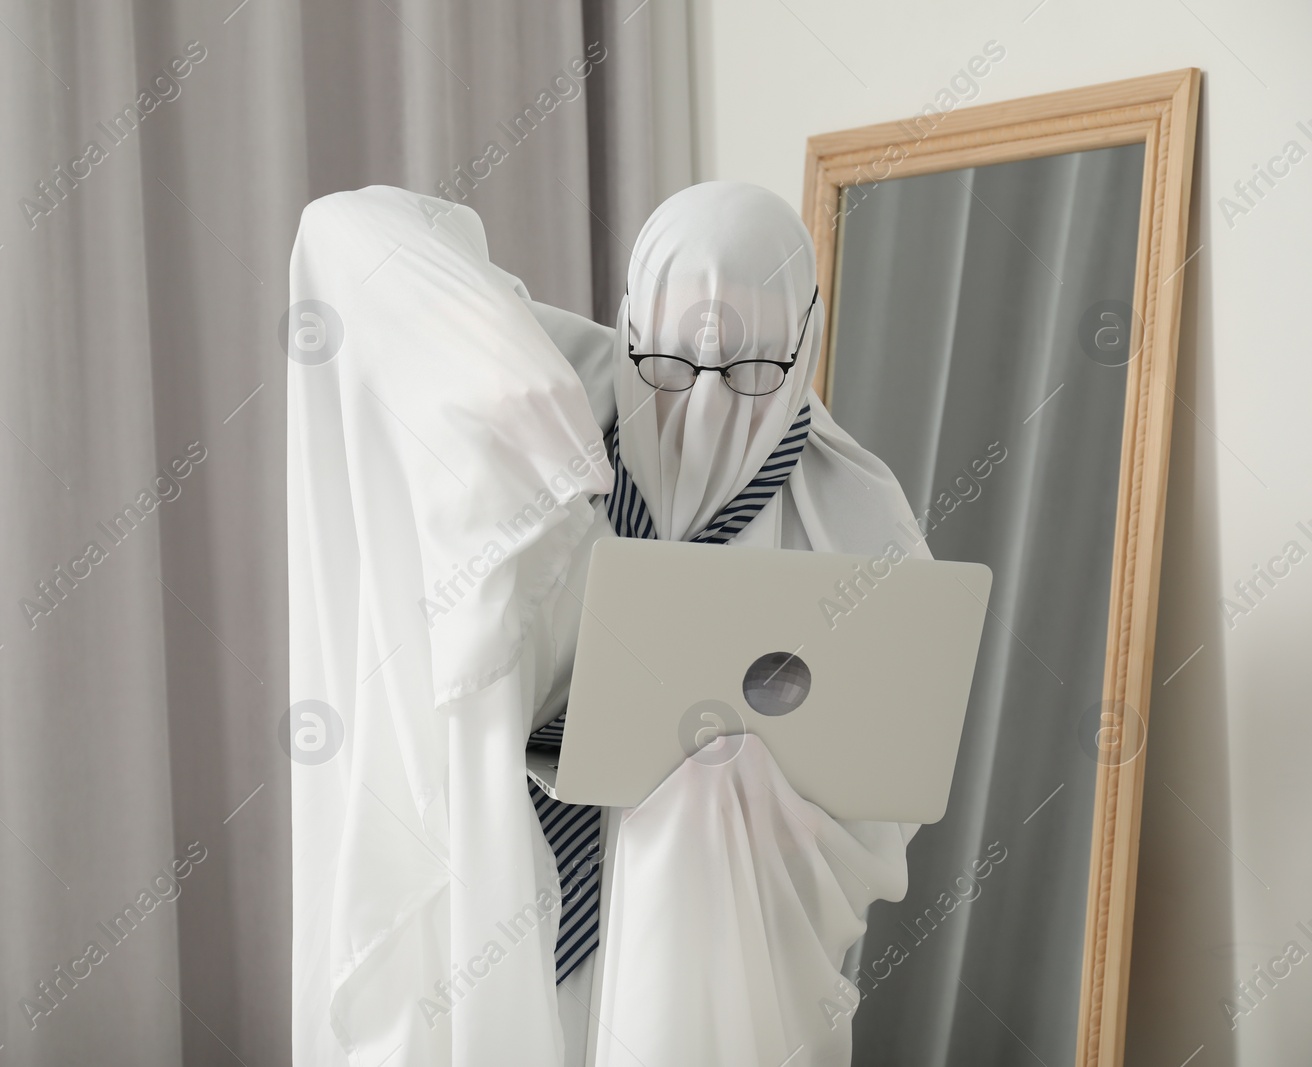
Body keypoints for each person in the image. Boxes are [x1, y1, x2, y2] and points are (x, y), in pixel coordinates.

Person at [287, 182, 923, 1067]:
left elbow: (890, 776)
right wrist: (501, 380)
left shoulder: (853, 514)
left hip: (731, 951)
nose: (701, 404)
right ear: (630, 327)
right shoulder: (565, 399)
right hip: (521, 902)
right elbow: (342, 236)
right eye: (668, 364)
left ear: (802, 342)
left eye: (749, 369)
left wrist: (748, 794)